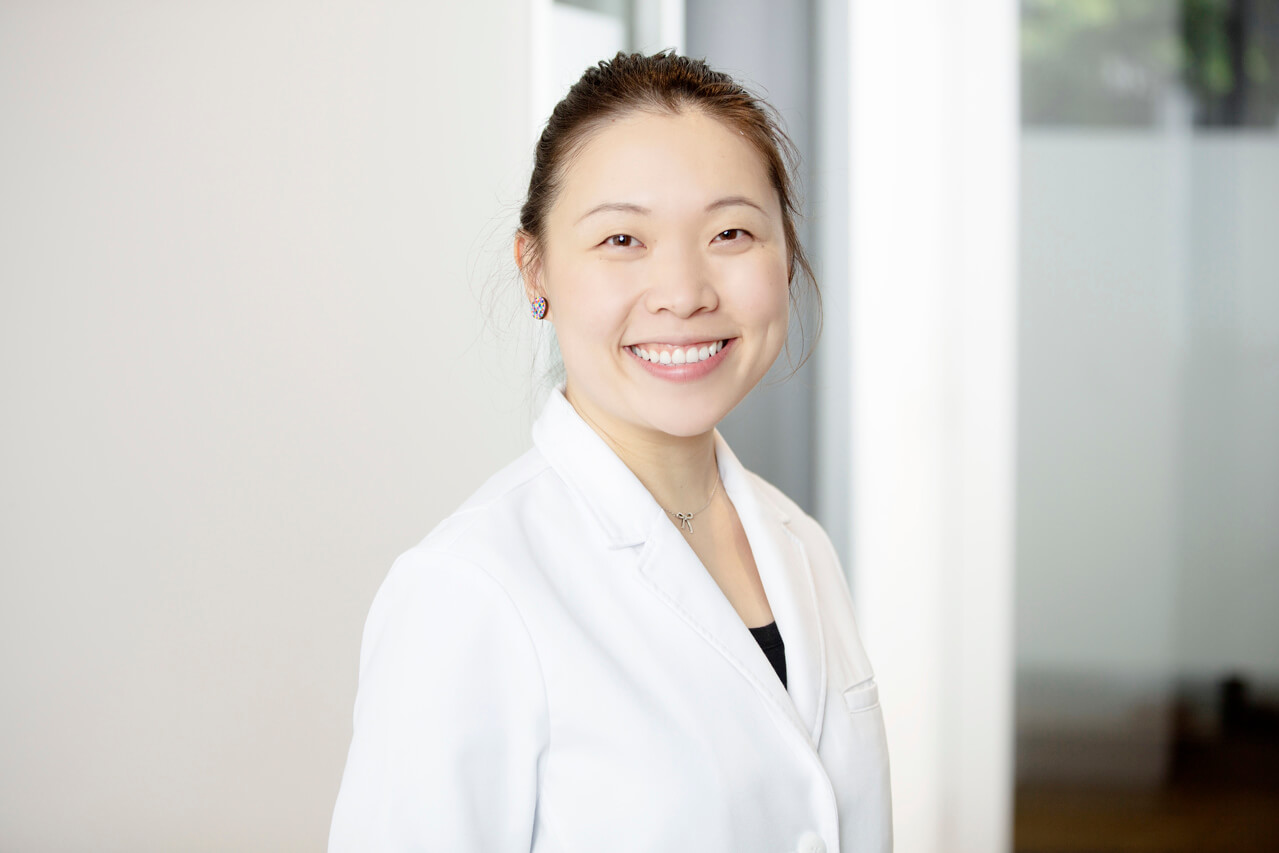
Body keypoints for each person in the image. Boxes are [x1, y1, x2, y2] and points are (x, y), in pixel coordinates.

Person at [329, 51, 891, 853]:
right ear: (536, 269)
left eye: (731, 232)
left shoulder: (800, 543)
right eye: (623, 238)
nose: (685, 290)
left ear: (786, 254)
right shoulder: (469, 590)